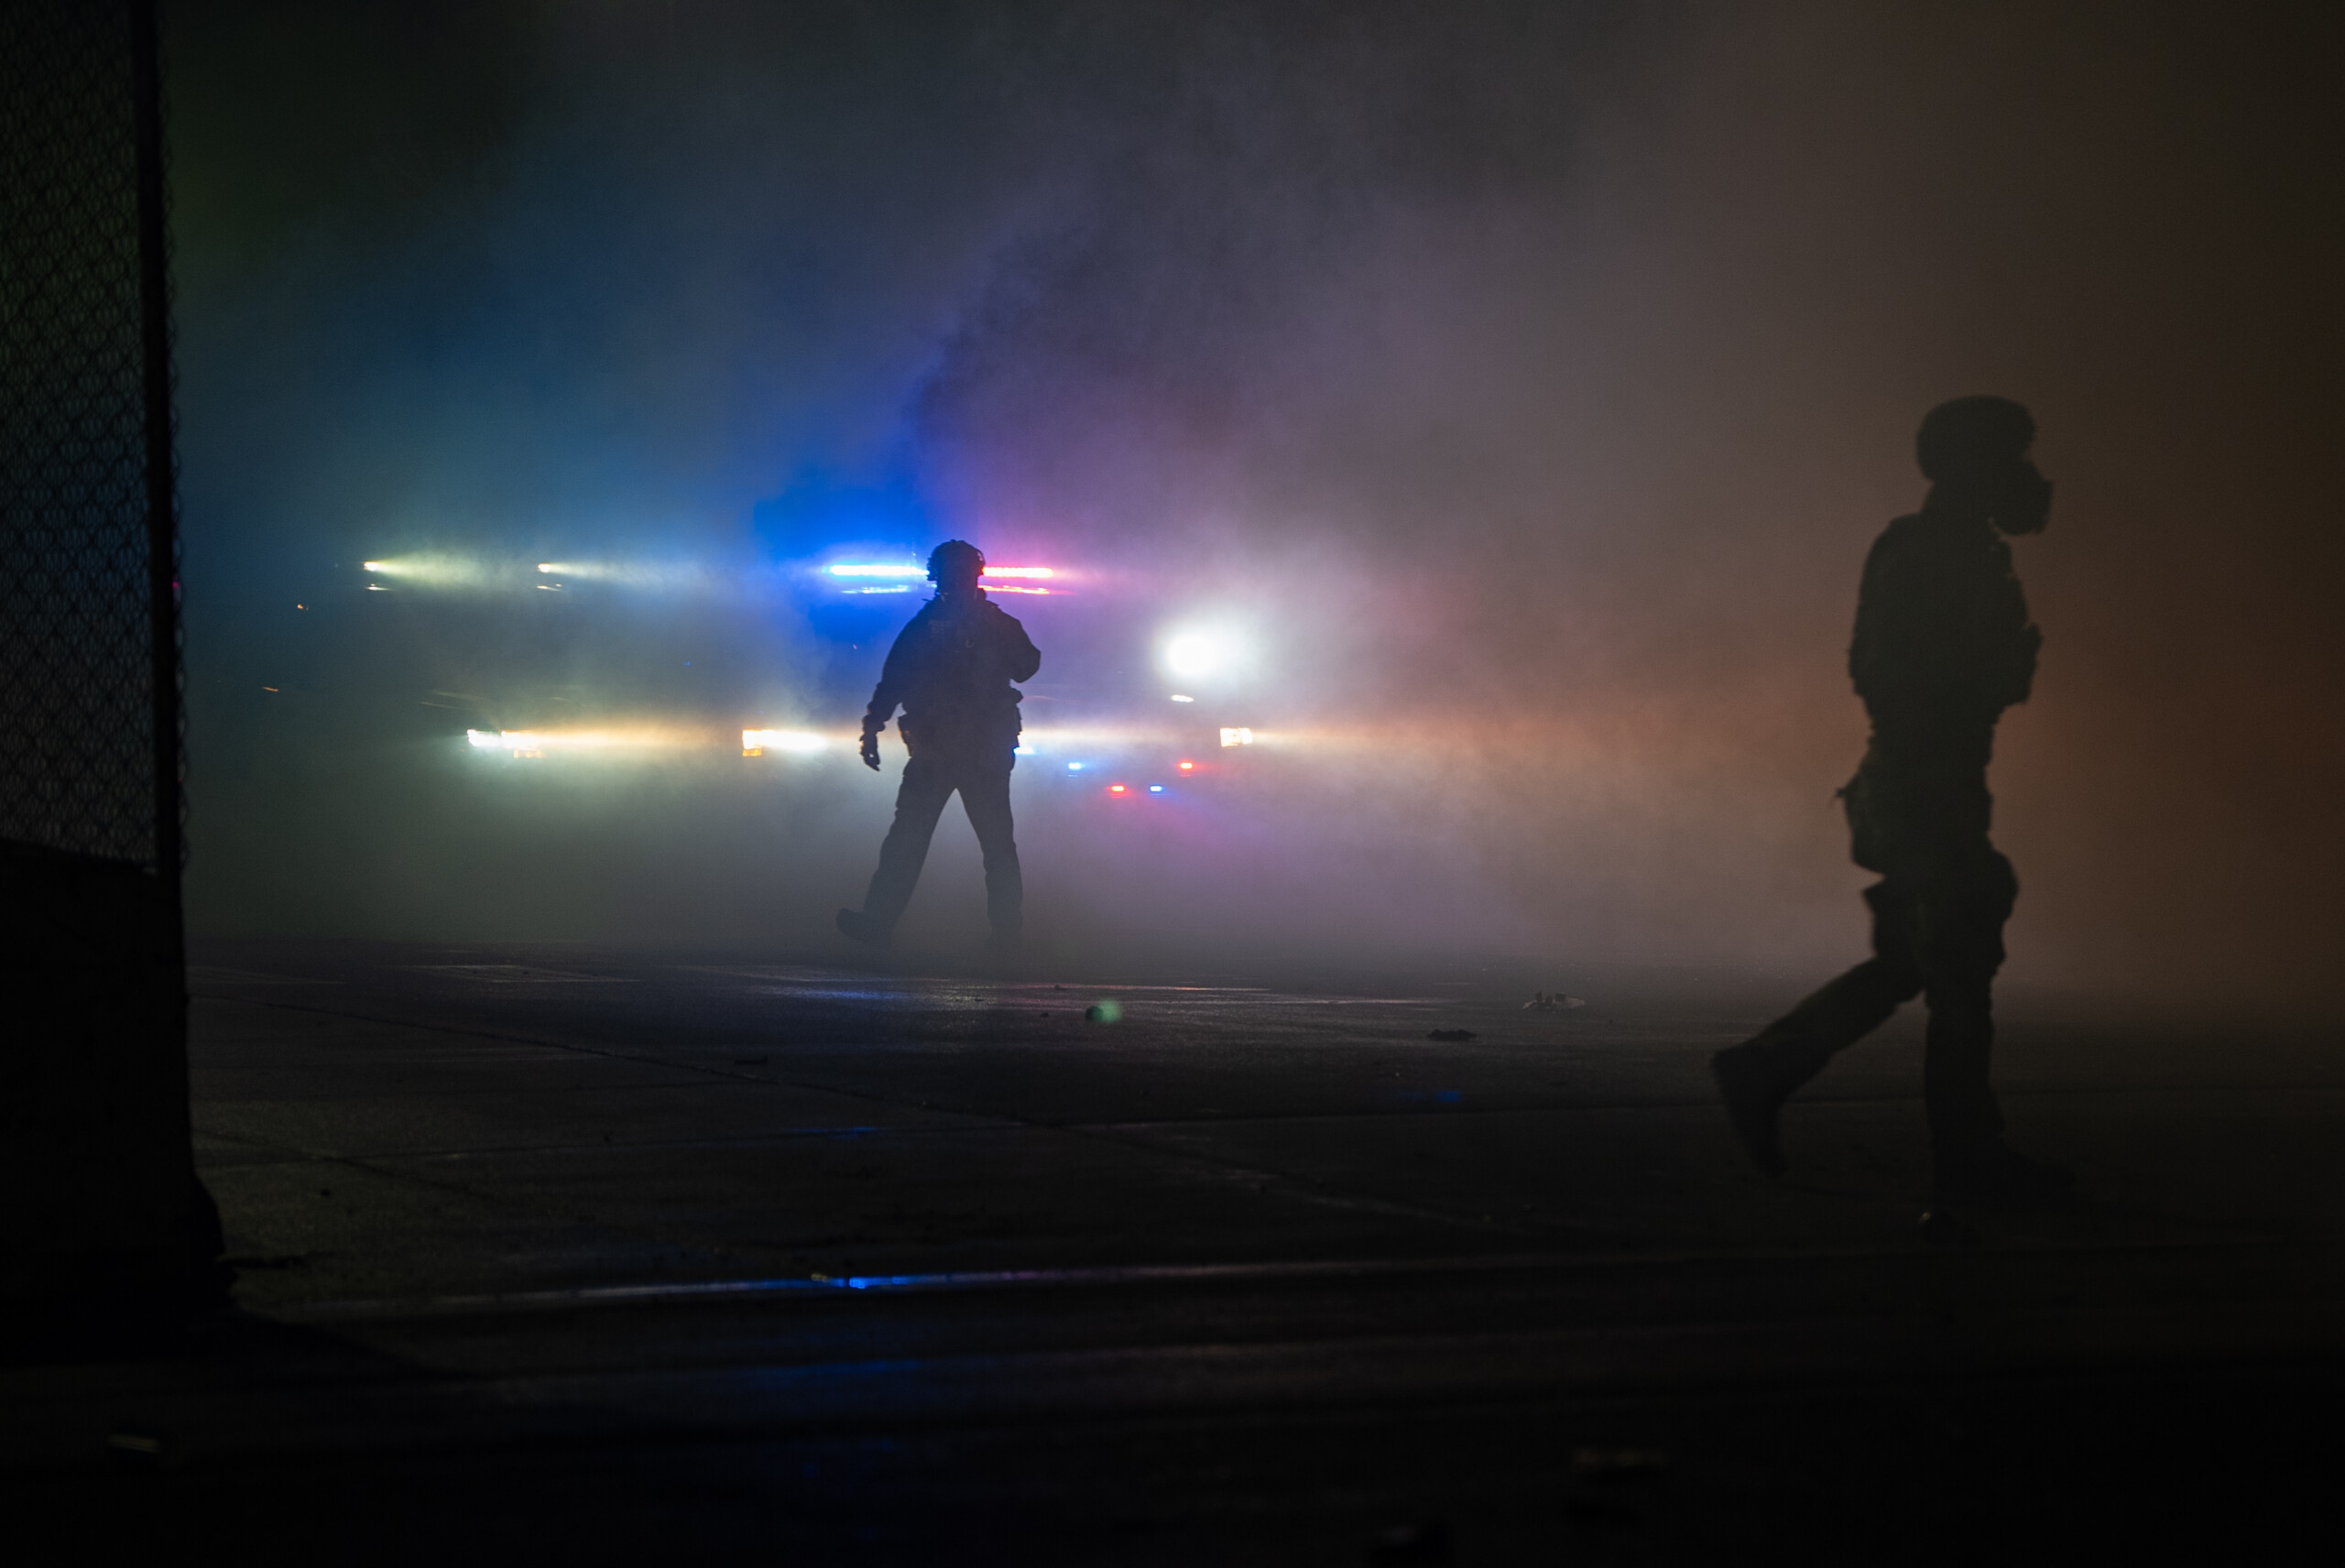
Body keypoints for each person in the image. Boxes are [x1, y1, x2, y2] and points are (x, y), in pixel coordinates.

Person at [1712, 397, 2073, 1207]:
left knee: (1913, 964)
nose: (2027, 477)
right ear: (1973, 468)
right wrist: (1989, 678)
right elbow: (1888, 675)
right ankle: (1968, 1157)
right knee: (1959, 974)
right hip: (1922, 789)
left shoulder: (1962, 550)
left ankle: (1768, 1066)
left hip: (1929, 786)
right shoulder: (1927, 552)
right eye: (2010, 458)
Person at [835, 539, 1041, 951]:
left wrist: (873, 726)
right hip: (975, 748)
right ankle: (1006, 934)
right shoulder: (993, 623)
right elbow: (1028, 667)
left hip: (942, 749)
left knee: (910, 839)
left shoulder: (930, 625)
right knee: (993, 843)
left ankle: (879, 923)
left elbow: (894, 678)